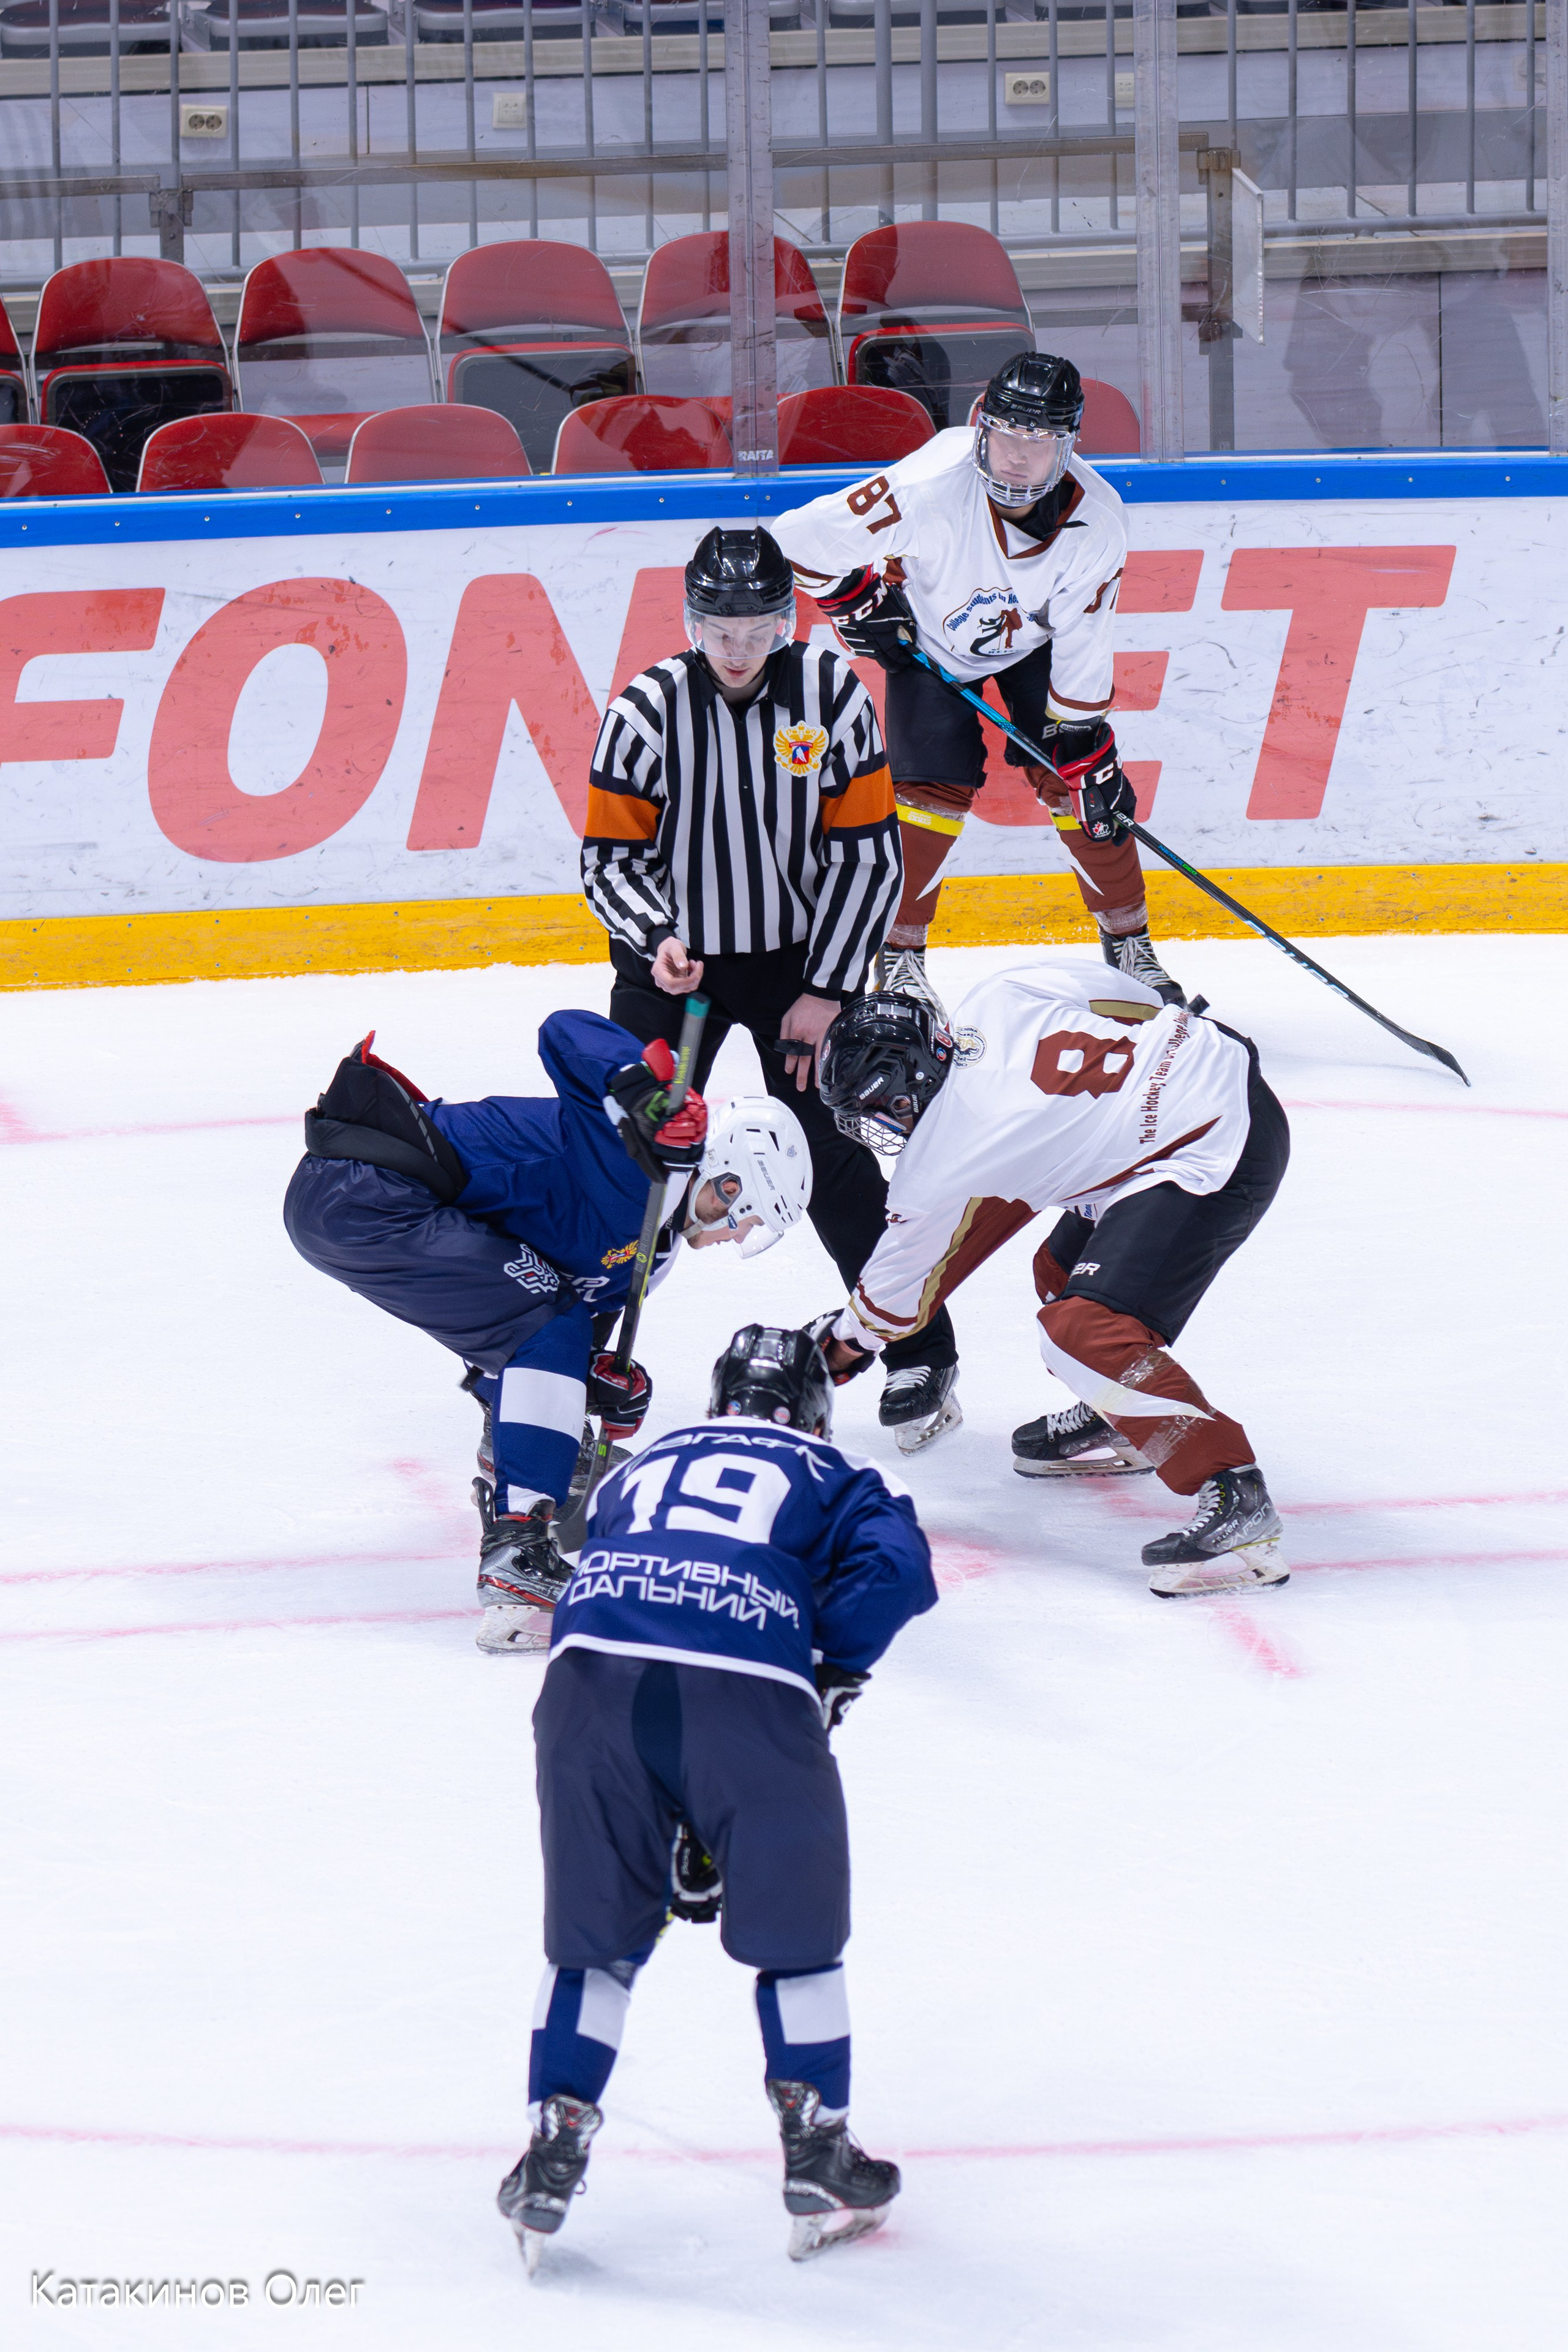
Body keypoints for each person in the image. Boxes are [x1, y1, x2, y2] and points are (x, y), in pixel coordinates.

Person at [497, 1324, 937, 2272]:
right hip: (746, 1689)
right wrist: (829, 1666)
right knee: (799, 1945)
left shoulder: (640, 1465)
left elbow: (613, 1553)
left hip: (586, 1682)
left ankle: (551, 2146)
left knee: (595, 1942)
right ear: (816, 1409)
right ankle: (818, 2153)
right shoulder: (838, 1471)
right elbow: (897, 1575)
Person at [581, 521, 962, 1451]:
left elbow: (868, 859)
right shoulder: (646, 709)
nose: (739, 647)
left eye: (758, 627)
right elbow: (608, 860)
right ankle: (579, 1350)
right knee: (630, 1157)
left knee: (831, 1151)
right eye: (720, 628)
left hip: (800, 963)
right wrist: (656, 937)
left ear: (787, 619)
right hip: (674, 967)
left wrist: (827, 989)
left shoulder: (831, 694)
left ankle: (919, 1351)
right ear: (690, 620)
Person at [282, 1017, 810, 1651]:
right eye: (744, 1219)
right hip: (366, 1190)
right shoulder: (632, 1157)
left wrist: (592, 1378)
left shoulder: (651, 1247)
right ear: (726, 1180)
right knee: (546, 1328)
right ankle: (518, 1556)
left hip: (368, 1205)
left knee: (551, 1333)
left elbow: (548, 1321)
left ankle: (516, 1469)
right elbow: (564, 1034)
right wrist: (640, 1089)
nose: (735, 1239)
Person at [813, 962, 1292, 1597]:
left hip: (1213, 1149)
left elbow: (892, 1301)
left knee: (1080, 1333)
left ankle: (1232, 1487)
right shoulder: (997, 992)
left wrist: (833, 1349)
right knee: (1060, 1272)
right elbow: (1136, 1001)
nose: (884, 1125)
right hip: (1210, 1082)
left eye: (886, 1106)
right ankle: (1122, 1413)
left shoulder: (941, 1162)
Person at [771, 351, 1185, 1018]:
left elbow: (1083, 638)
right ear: (981, 427)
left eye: (1039, 440)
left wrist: (1082, 741)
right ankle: (899, 959)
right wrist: (853, 599)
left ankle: (1130, 946)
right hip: (931, 644)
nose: (1018, 457)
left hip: (1035, 646)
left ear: (1068, 445)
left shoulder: (1098, 521)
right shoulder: (931, 482)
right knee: (927, 793)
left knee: (1084, 786)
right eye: (1005, 435)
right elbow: (794, 541)